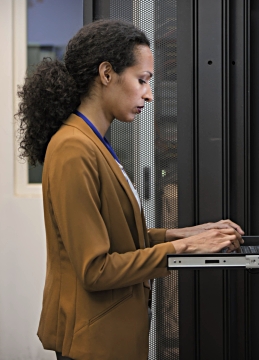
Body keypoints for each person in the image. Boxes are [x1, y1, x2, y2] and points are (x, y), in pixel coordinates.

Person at [16, 20, 244, 360]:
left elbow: (120, 237)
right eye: (142, 80)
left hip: (110, 337)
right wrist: (183, 248)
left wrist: (191, 234)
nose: (149, 94)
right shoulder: (73, 148)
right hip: (92, 343)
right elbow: (95, 269)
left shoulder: (93, 143)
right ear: (106, 73)